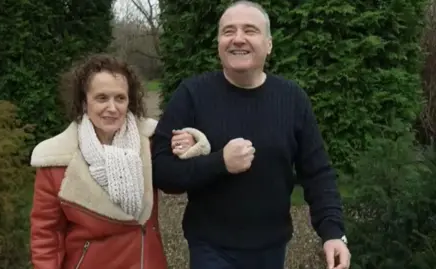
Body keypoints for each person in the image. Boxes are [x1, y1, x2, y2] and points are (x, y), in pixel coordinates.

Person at [151, 1, 351, 269]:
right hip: (211, 248)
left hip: (271, 249)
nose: (238, 39)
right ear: (219, 43)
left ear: (269, 44)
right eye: (228, 31)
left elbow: (317, 172)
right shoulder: (192, 95)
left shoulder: (292, 99)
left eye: (250, 30)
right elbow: (161, 171)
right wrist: (219, 162)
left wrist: (333, 232)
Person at [29, 53, 212, 269]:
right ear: (84, 102)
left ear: (130, 101)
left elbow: (175, 185)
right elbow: (46, 234)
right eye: (102, 98)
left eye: (120, 98)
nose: (112, 108)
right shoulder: (57, 159)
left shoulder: (150, 142)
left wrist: (188, 144)